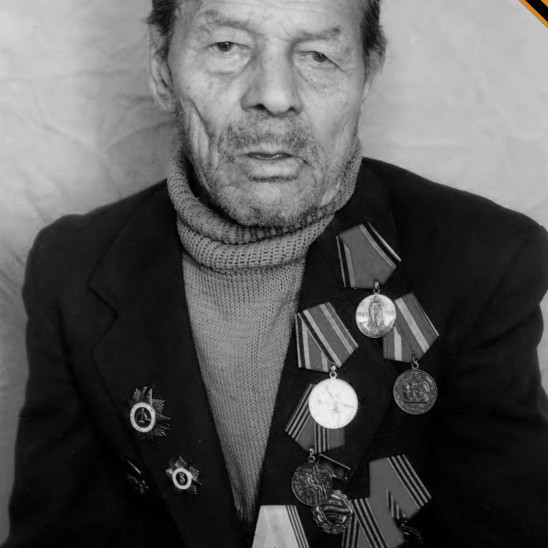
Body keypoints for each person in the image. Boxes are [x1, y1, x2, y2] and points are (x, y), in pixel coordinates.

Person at [4, 0, 548, 546]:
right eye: (226, 46)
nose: (275, 94)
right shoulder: (72, 270)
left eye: (317, 55)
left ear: (367, 76)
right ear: (161, 68)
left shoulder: (482, 262)